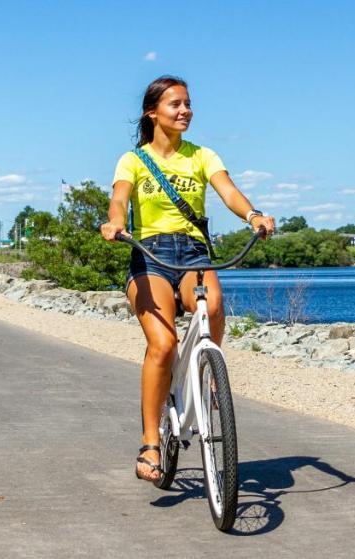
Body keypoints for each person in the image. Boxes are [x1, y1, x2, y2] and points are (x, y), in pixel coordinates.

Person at [99, 75, 275, 481]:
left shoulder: (202, 155)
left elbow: (228, 191)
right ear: (152, 111)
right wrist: (114, 224)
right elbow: (120, 198)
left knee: (213, 306)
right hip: (150, 255)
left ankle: (207, 373)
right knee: (163, 344)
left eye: (188, 104)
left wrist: (253, 216)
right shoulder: (133, 160)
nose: (185, 111)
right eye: (175, 104)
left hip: (193, 251)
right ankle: (150, 442)